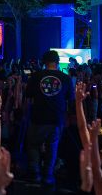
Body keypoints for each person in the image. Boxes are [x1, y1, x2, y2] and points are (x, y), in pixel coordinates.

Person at [25, 50, 73, 184]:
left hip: (38, 117)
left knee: (33, 144)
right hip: (57, 118)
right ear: (57, 63)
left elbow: (28, 96)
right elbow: (70, 100)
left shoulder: (36, 76)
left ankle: (35, 173)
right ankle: (48, 175)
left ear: (44, 62)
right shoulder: (66, 78)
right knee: (52, 146)